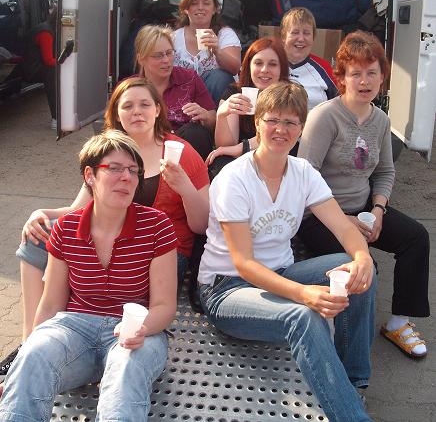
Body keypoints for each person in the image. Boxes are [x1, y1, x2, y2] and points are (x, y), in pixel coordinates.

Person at [0, 77, 209, 381]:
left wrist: (184, 187)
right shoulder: (111, 153)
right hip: (109, 240)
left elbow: (201, 224)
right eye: (128, 106)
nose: (137, 111)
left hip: (160, 251)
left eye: (144, 104)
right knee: (35, 238)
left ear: (157, 110)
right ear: (117, 114)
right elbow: (79, 211)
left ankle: (88, 336)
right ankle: (30, 340)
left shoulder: (181, 152)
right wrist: (41, 214)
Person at [198, 82, 376, 422]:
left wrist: (363, 258)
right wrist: (303, 294)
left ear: (301, 128)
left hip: (280, 274)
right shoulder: (234, 179)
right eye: (272, 120)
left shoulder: (303, 172)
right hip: (227, 287)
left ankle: (353, 383)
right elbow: (244, 264)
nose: (281, 129)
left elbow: (343, 228)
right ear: (257, 122)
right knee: (303, 316)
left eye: (291, 122)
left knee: (356, 271)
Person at [0, 130, 178, 421]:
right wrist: (25, 355)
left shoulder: (156, 225)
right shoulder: (66, 228)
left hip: (134, 332)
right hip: (74, 330)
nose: (126, 177)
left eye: (133, 170)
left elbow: (164, 305)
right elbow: (51, 303)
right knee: (34, 355)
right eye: (115, 168)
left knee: (126, 369)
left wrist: (142, 328)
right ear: (90, 175)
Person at [298, 30, 430, 358]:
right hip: (319, 217)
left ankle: (399, 322)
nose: (364, 81)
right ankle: (347, 342)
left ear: (383, 77)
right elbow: (305, 178)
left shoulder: (380, 120)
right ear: (341, 78)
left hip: (363, 210)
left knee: (416, 238)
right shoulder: (325, 117)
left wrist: (379, 209)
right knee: (366, 269)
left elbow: (385, 171)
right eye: (355, 73)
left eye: (372, 72)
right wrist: (343, 219)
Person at [207, 37, 288, 174]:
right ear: (248, 66)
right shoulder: (235, 92)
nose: (264, 70)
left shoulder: (289, 95)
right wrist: (221, 115)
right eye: (258, 63)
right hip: (240, 159)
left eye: (273, 64)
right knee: (221, 161)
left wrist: (241, 148)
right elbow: (225, 146)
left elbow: (278, 134)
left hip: (275, 154)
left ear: (282, 68)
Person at [135, 24, 216, 159]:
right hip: (146, 149)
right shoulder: (131, 88)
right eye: (158, 56)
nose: (166, 60)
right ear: (141, 59)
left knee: (195, 133)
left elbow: (214, 120)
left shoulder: (189, 78)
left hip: (185, 148)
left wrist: (205, 115)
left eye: (169, 53)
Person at [174, 0, 241, 104]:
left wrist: (217, 50)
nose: (200, 8)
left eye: (206, 3)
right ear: (186, 8)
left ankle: (211, 115)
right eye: (194, 3)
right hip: (183, 97)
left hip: (214, 100)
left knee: (219, 76)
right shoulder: (173, 38)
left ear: (215, 9)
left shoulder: (225, 34)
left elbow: (235, 69)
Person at [281, 6, 337, 110]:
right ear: (284, 36)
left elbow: (340, 105)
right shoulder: (272, 64)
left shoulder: (324, 68)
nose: (301, 39)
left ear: (313, 37)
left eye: (306, 33)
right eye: (295, 32)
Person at [23, 5, 57, 129]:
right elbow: (49, 60)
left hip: (33, 65)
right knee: (53, 73)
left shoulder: (47, 28)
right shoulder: (45, 32)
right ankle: (56, 118)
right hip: (31, 69)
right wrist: (65, 63)